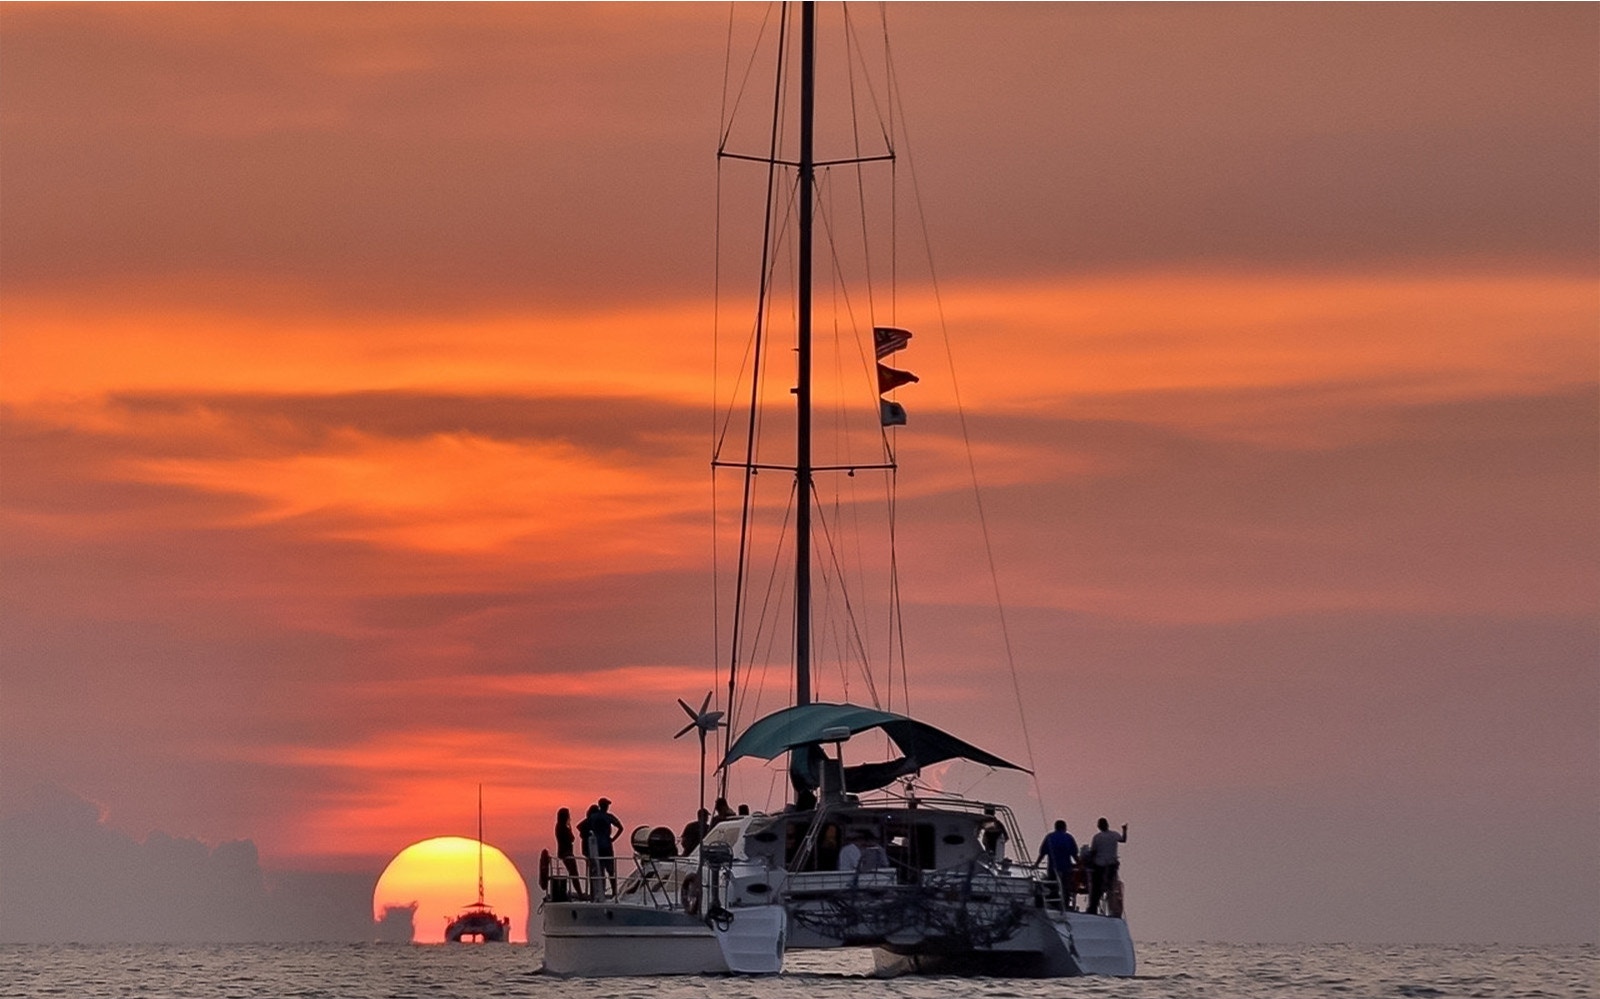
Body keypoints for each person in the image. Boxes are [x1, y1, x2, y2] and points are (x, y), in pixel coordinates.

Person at [1086, 817, 1127, 916]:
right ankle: (1115, 911)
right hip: (1112, 865)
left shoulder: (1097, 837)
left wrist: (1087, 859)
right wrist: (1125, 830)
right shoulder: (1114, 835)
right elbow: (1123, 839)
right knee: (1111, 888)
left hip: (1100, 866)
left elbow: (1093, 852)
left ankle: (1093, 908)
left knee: (1096, 888)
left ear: (1099, 826)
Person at [1036, 819, 1079, 906]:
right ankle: (1065, 904)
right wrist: (1080, 864)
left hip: (1053, 868)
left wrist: (1036, 864)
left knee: (1053, 887)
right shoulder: (1069, 838)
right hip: (1066, 868)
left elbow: (1042, 853)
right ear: (1064, 828)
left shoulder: (1049, 837)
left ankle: (1054, 904)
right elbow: (1074, 854)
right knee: (1065, 888)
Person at [592, 797, 625, 898]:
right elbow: (621, 827)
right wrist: (613, 839)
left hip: (596, 846)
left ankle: (602, 891)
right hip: (606, 846)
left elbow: (583, 827)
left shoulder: (593, 817)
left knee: (600, 870)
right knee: (610, 871)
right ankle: (614, 892)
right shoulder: (608, 817)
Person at [554, 807, 583, 899]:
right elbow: (572, 838)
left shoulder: (559, 827)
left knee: (573, 873)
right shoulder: (563, 828)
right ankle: (580, 893)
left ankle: (579, 892)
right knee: (574, 873)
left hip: (564, 852)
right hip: (566, 853)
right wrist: (570, 827)